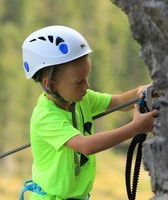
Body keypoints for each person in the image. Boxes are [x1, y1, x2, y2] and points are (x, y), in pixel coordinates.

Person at [20, 25, 158, 200]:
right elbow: (87, 146)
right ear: (50, 85)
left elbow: (119, 102)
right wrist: (134, 129)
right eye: (78, 82)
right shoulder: (45, 117)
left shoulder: (81, 98)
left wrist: (146, 90)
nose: (87, 86)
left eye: (87, 77)